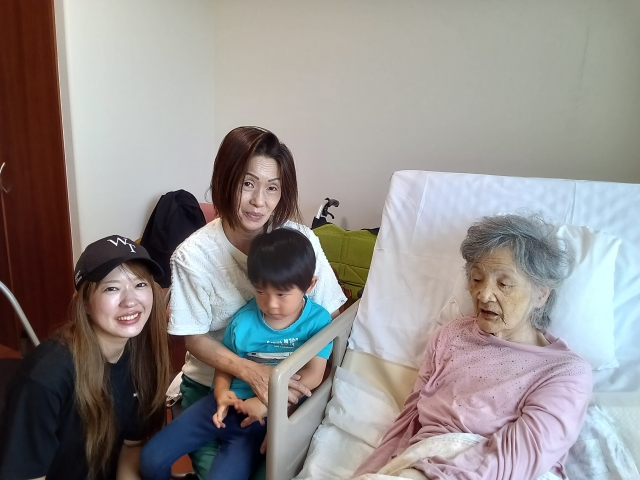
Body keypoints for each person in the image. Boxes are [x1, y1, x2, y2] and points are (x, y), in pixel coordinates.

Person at [353, 214, 593, 480]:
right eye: (477, 279)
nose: (484, 294)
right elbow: (409, 420)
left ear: (541, 294)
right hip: (421, 461)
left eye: (504, 284)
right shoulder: (451, 336)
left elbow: (518, 458)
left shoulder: (566, 372)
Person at [167, 126, 347, 477]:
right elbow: (194, 337)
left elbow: (332, 320)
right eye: (247, 184)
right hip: (214, 387)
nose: (259, 201)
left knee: (279, 471)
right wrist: (250, 372)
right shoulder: (193, 255)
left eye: (272, 188)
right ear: (225, 180)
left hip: (290, 387)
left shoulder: (300, 241)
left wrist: (285, 398)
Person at [141, 228, 333, 480]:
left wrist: (265, 404)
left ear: (309, 285)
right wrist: (221, 393)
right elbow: (227, 365)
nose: (271, 304)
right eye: (261, 292)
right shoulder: (243, 321)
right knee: (151, 458)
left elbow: (314, 375)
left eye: (282, 294)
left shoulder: (318, 322)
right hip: (222, 404)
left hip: (261, 417)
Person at [0, 235, 171, 480]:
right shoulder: (44, 378)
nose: (130, 301)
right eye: (112, 288)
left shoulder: (143, 357)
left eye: (140, 284)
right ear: (85, 304)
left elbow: (132, 447)